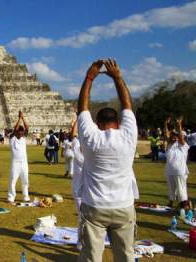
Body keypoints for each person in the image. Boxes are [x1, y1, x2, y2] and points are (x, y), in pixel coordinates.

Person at [77, 59, 138, 262]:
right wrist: (117, 78)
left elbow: (82, 108)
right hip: (123, 205)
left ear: (97, 123)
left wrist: (89, 78)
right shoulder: (128, 135)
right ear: (118, 122)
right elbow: (127, 105)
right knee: (126, 255)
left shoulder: (91, 138)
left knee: (91, 257)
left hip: (95, 206)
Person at [164, 116, 189, 208]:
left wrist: (179, 125)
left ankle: (184, 204)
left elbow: (181, 138)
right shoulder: (169, 145)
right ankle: (171, 202)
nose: (173, 137)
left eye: (176, 136)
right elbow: (166, 134)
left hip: (179, 171)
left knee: (181, 188)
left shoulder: (183, 145)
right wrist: (165, 124)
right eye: (172, 136)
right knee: (171, 188)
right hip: (169, 171)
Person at [8, 111, 30, 203]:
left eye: (22, 133)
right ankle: (11, 197)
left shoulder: (23, 138)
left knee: (25, 180)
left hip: (24, 163)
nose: (21, 134)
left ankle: (26, 197)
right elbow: (14, 129)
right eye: (19, 133)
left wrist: (23, 118)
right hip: (15, 163)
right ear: (17, 132)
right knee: (13, 180)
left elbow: (27, 128)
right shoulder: (12, 138)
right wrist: (19, 118)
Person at [70, 118, 84, 250]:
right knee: (82, 217)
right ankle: (80, 242)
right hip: (80, 191)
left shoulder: (77, 150)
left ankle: (83, 242)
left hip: (89, 191)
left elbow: (73, 135)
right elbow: (73, 135)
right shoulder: (86, 156)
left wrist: (76, 121)